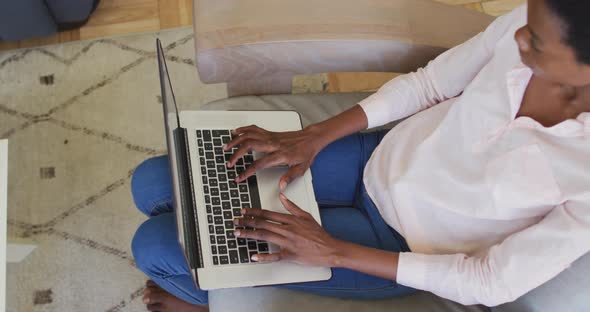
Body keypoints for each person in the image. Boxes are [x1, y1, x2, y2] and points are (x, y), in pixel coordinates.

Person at [130, 0, 590, 311]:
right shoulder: (519, 26)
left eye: (538, 42)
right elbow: (430, 85)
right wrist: (312, 136)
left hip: (393, 246)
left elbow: (493, 281)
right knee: (151, 182)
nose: (520, 39)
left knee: (156, 245)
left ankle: (201, 299)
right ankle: (212, 281)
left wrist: (334, 252)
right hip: (375, 160)